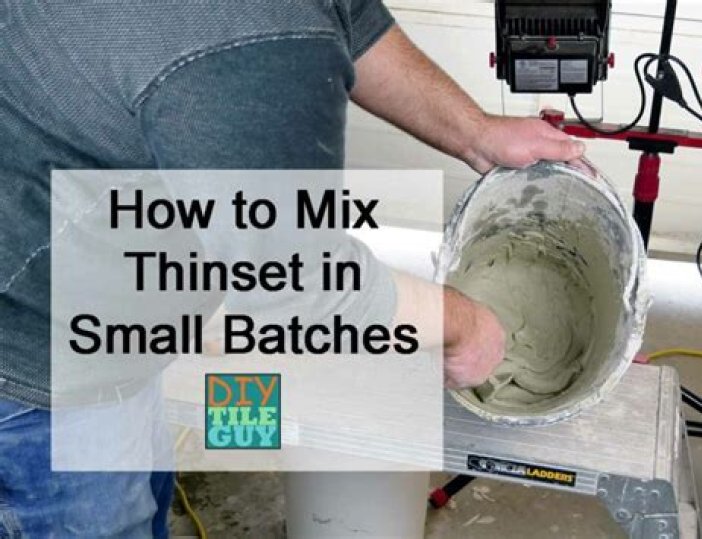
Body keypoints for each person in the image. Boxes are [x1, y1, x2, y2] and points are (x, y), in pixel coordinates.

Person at [0, 1, 584, 536]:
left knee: (144, 497)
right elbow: (298, 283)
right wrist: (464, 324)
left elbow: (351, 18)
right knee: (103, 516)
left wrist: (477, 134)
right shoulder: (230, 37)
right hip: (37, 355)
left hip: (112, 303)